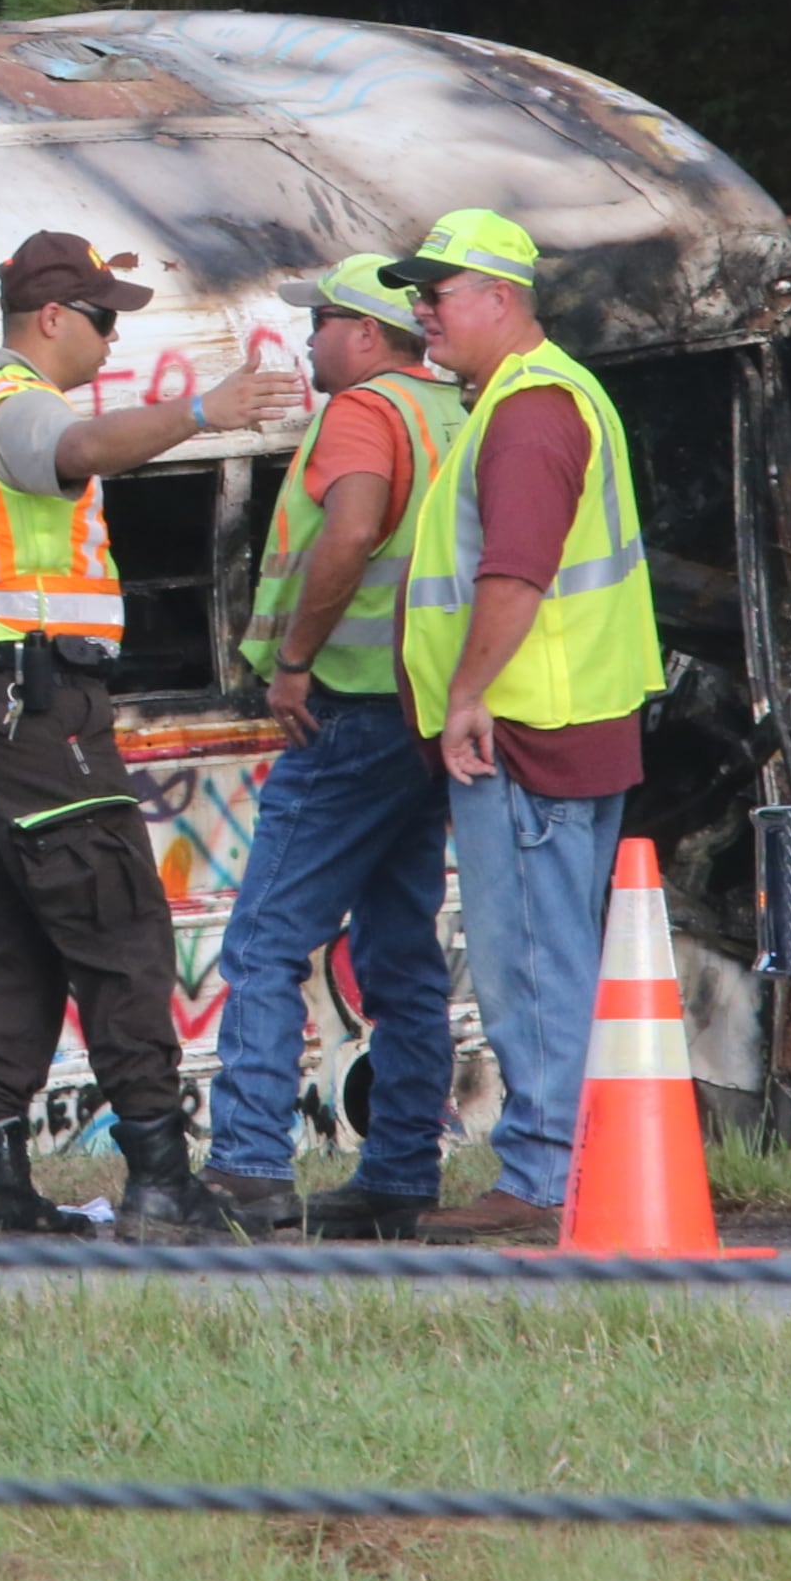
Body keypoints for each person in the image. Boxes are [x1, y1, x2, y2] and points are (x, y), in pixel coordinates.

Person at [0, 230, 306, 1236]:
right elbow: (77, 451)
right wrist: (198, 412)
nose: (110, 336)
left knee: (7, 946)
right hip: (33, 709)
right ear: (51, 319)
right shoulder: (21, 409)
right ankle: (161, 1180)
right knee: (121, 928)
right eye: (101, 317)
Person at [381, 209, 662, 1241]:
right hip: (565, 722)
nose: (422, 312)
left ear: (500, 299)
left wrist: (464, 697)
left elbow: (514, 573)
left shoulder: (530, 414)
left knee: (531, 962)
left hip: (524, 735)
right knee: (560, 955)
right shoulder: (538, 397)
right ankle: (579, 1161)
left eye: (439, 293)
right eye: (417, 292)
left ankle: (546, 1173)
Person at [207, 253, 470, 1240]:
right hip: (426, 717)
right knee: (402, 952)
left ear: (364, 332)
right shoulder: (451, 411)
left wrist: (295, 659)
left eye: (321, 321)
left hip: (349, 709)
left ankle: (247, 1166)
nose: (310, 337)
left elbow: (351, 532)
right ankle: (401, 1172)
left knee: (268, 940)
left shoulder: (364, 412)